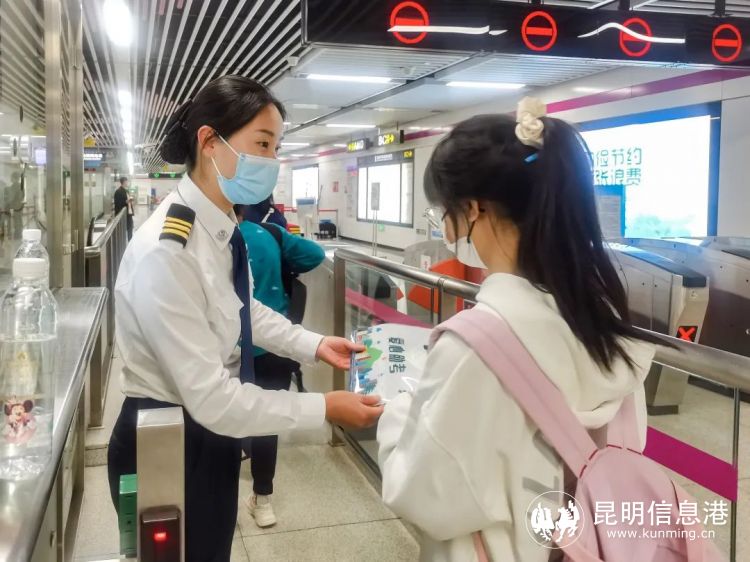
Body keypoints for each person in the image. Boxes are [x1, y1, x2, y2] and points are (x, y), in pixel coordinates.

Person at [108, 75, 383, 562]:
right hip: (168, 439)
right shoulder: (168, 251)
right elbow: (212, 398)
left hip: (209, 433)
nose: (271, 161)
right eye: (262, 144)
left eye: (276, 148)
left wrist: (313, 344)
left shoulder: (222, 229)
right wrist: (324, 408)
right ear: (210, 142)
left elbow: (242, 307)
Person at [376, 98, 660, 561]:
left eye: (444, 214)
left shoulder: (475, 347)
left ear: (473, 209)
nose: (446, 231)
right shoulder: (606, 326)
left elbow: (426, 494)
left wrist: (398, 413)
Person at [234, 202, 325, 528]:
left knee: (223, 417)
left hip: (229, 348)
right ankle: (262, 499)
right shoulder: (270, 234)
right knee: (267, 420)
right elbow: (315, 255)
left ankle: (221, 495)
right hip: (274, 347)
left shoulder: (211, 242)